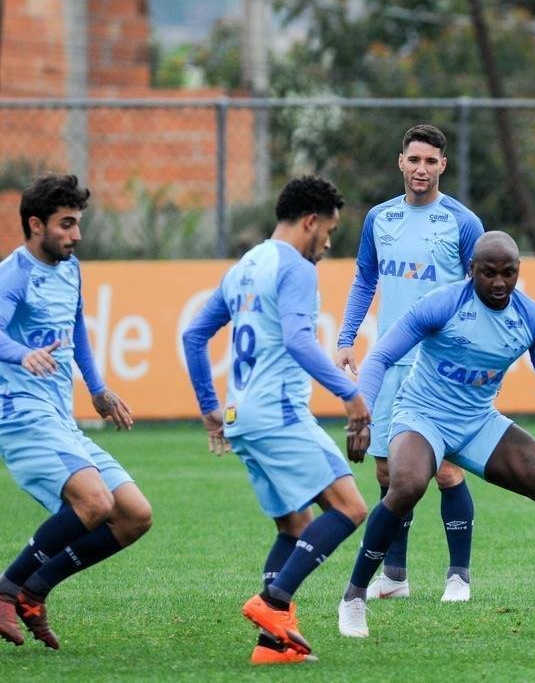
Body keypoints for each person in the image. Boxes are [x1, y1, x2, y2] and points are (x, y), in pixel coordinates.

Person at [336, 230, 535, 639]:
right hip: (422, 416)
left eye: (509, 272)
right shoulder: (443, 304)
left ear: (519, 270)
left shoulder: (532, 320)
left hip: (477, 423)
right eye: (489, 273)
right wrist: (361, 417)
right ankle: (354, 597)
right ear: (471, 270)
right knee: (407, 485)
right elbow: (380, 356)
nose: (500, 282)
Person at [182, 176, 370, 664]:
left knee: (295, 525)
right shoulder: (296, 268)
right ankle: (273, 602)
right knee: (350, 508)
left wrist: (209, 408)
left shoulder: (245, 266)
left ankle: (273, 645)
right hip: (278, 414)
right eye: (328, 231)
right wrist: (350, 394)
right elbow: (298, 340)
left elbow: (193, 336)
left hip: (241, 416)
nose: (328, 244)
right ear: (310, 221)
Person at [0, 174, 152, 651]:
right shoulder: (14, 273)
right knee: (95, 503)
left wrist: (98, 389)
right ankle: (6, 589)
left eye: (78, 223)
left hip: (59, 418)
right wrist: (21, 354)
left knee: (134, 516)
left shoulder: (71, 269)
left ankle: (34, 591)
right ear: (35, 225)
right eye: (66, 224)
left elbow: (77, 328)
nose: (76, 235)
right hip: (22, 417)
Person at [335, 124, 484, 604]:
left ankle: (458, 577)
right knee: (388, 474)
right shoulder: (379, 218)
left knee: (445, 471)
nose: (421, 169)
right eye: (414, 160)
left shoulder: (463, 223)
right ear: (401, 162)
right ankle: (395, 576)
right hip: (390, 364)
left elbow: (482, 293)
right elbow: (365, 280)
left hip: (441, 368)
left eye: (430, 161)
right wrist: (346, 338)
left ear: (443, 166)